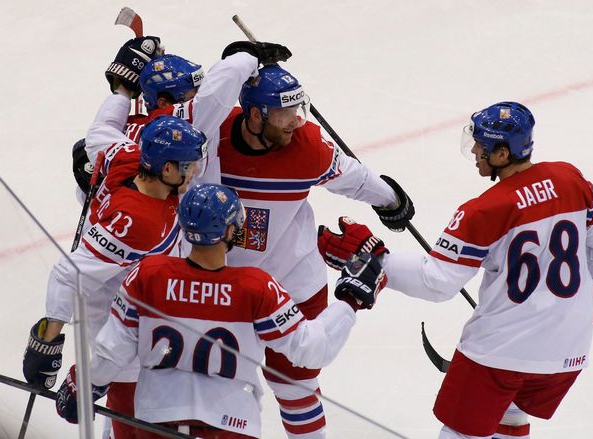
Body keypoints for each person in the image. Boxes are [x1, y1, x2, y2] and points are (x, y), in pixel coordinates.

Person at [317, 101, 593, 439]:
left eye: (482, 145)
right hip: (567, 351)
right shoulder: (572, 179)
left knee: (461, 431)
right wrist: (591, 296)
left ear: (502, 154)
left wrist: (377, 261)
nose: (477, 150)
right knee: (510, 421)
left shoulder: (484, 211)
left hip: (499, 352)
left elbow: (436, 282)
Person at [54, 183, 387, 439]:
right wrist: (349, 301)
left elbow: (112, 350)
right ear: (229, 231)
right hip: (231, 423)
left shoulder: (150, 274)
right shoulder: (256, 287)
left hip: (157, 417)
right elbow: (311, 350)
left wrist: (86, 383)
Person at [216, 64, 415, 437]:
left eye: (297, 110)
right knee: (221, 389)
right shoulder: (213, 136)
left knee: (295, 387)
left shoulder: (307, 147)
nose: (295, 122)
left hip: (294, 284)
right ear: (255, 115)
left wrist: (392, 200)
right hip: (224, 285)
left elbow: (353, 179)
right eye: (284, 113)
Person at [23, 111, 208, 436]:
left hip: (153, 327)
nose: (195, 172)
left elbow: (98, 135)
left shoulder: (130, 157)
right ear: (166, 169)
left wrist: (121, 88)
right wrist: (47, 343)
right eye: (189, 165)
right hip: (125, 334)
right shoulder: (135, 222)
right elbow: (70, 274)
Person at [85, 39, 292, 187]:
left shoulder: (130, 129)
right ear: (164, 102)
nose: (200, 94)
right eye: (193, 92)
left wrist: (122, 89)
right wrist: (249, 54)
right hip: (187, 243)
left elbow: (100, 132)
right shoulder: (181, 129)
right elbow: (217, 91)